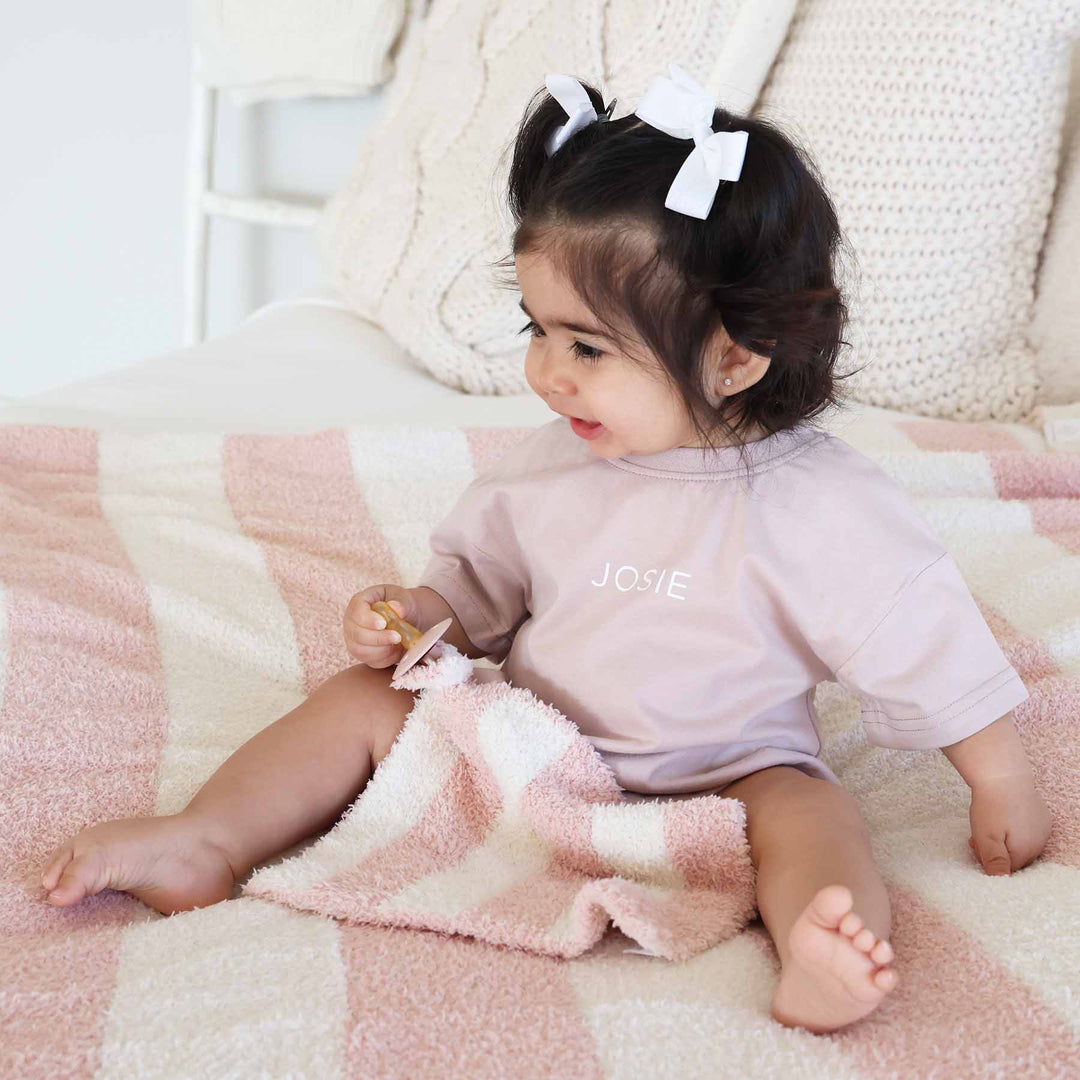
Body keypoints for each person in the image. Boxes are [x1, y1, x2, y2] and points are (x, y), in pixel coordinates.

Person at [39, 64, 1050, 1036]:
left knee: (815, 815)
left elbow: (923, 633)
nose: (546, 374)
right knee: (363, 698)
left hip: (735, 776)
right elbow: (472, 592)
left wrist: (999, 777)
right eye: (538, 329)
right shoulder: (550, 468)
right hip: (535, 754)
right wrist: (412, 617)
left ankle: (824, 949)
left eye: (587, 346)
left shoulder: (822, 504)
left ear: (735, 356)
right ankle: (206, 837)